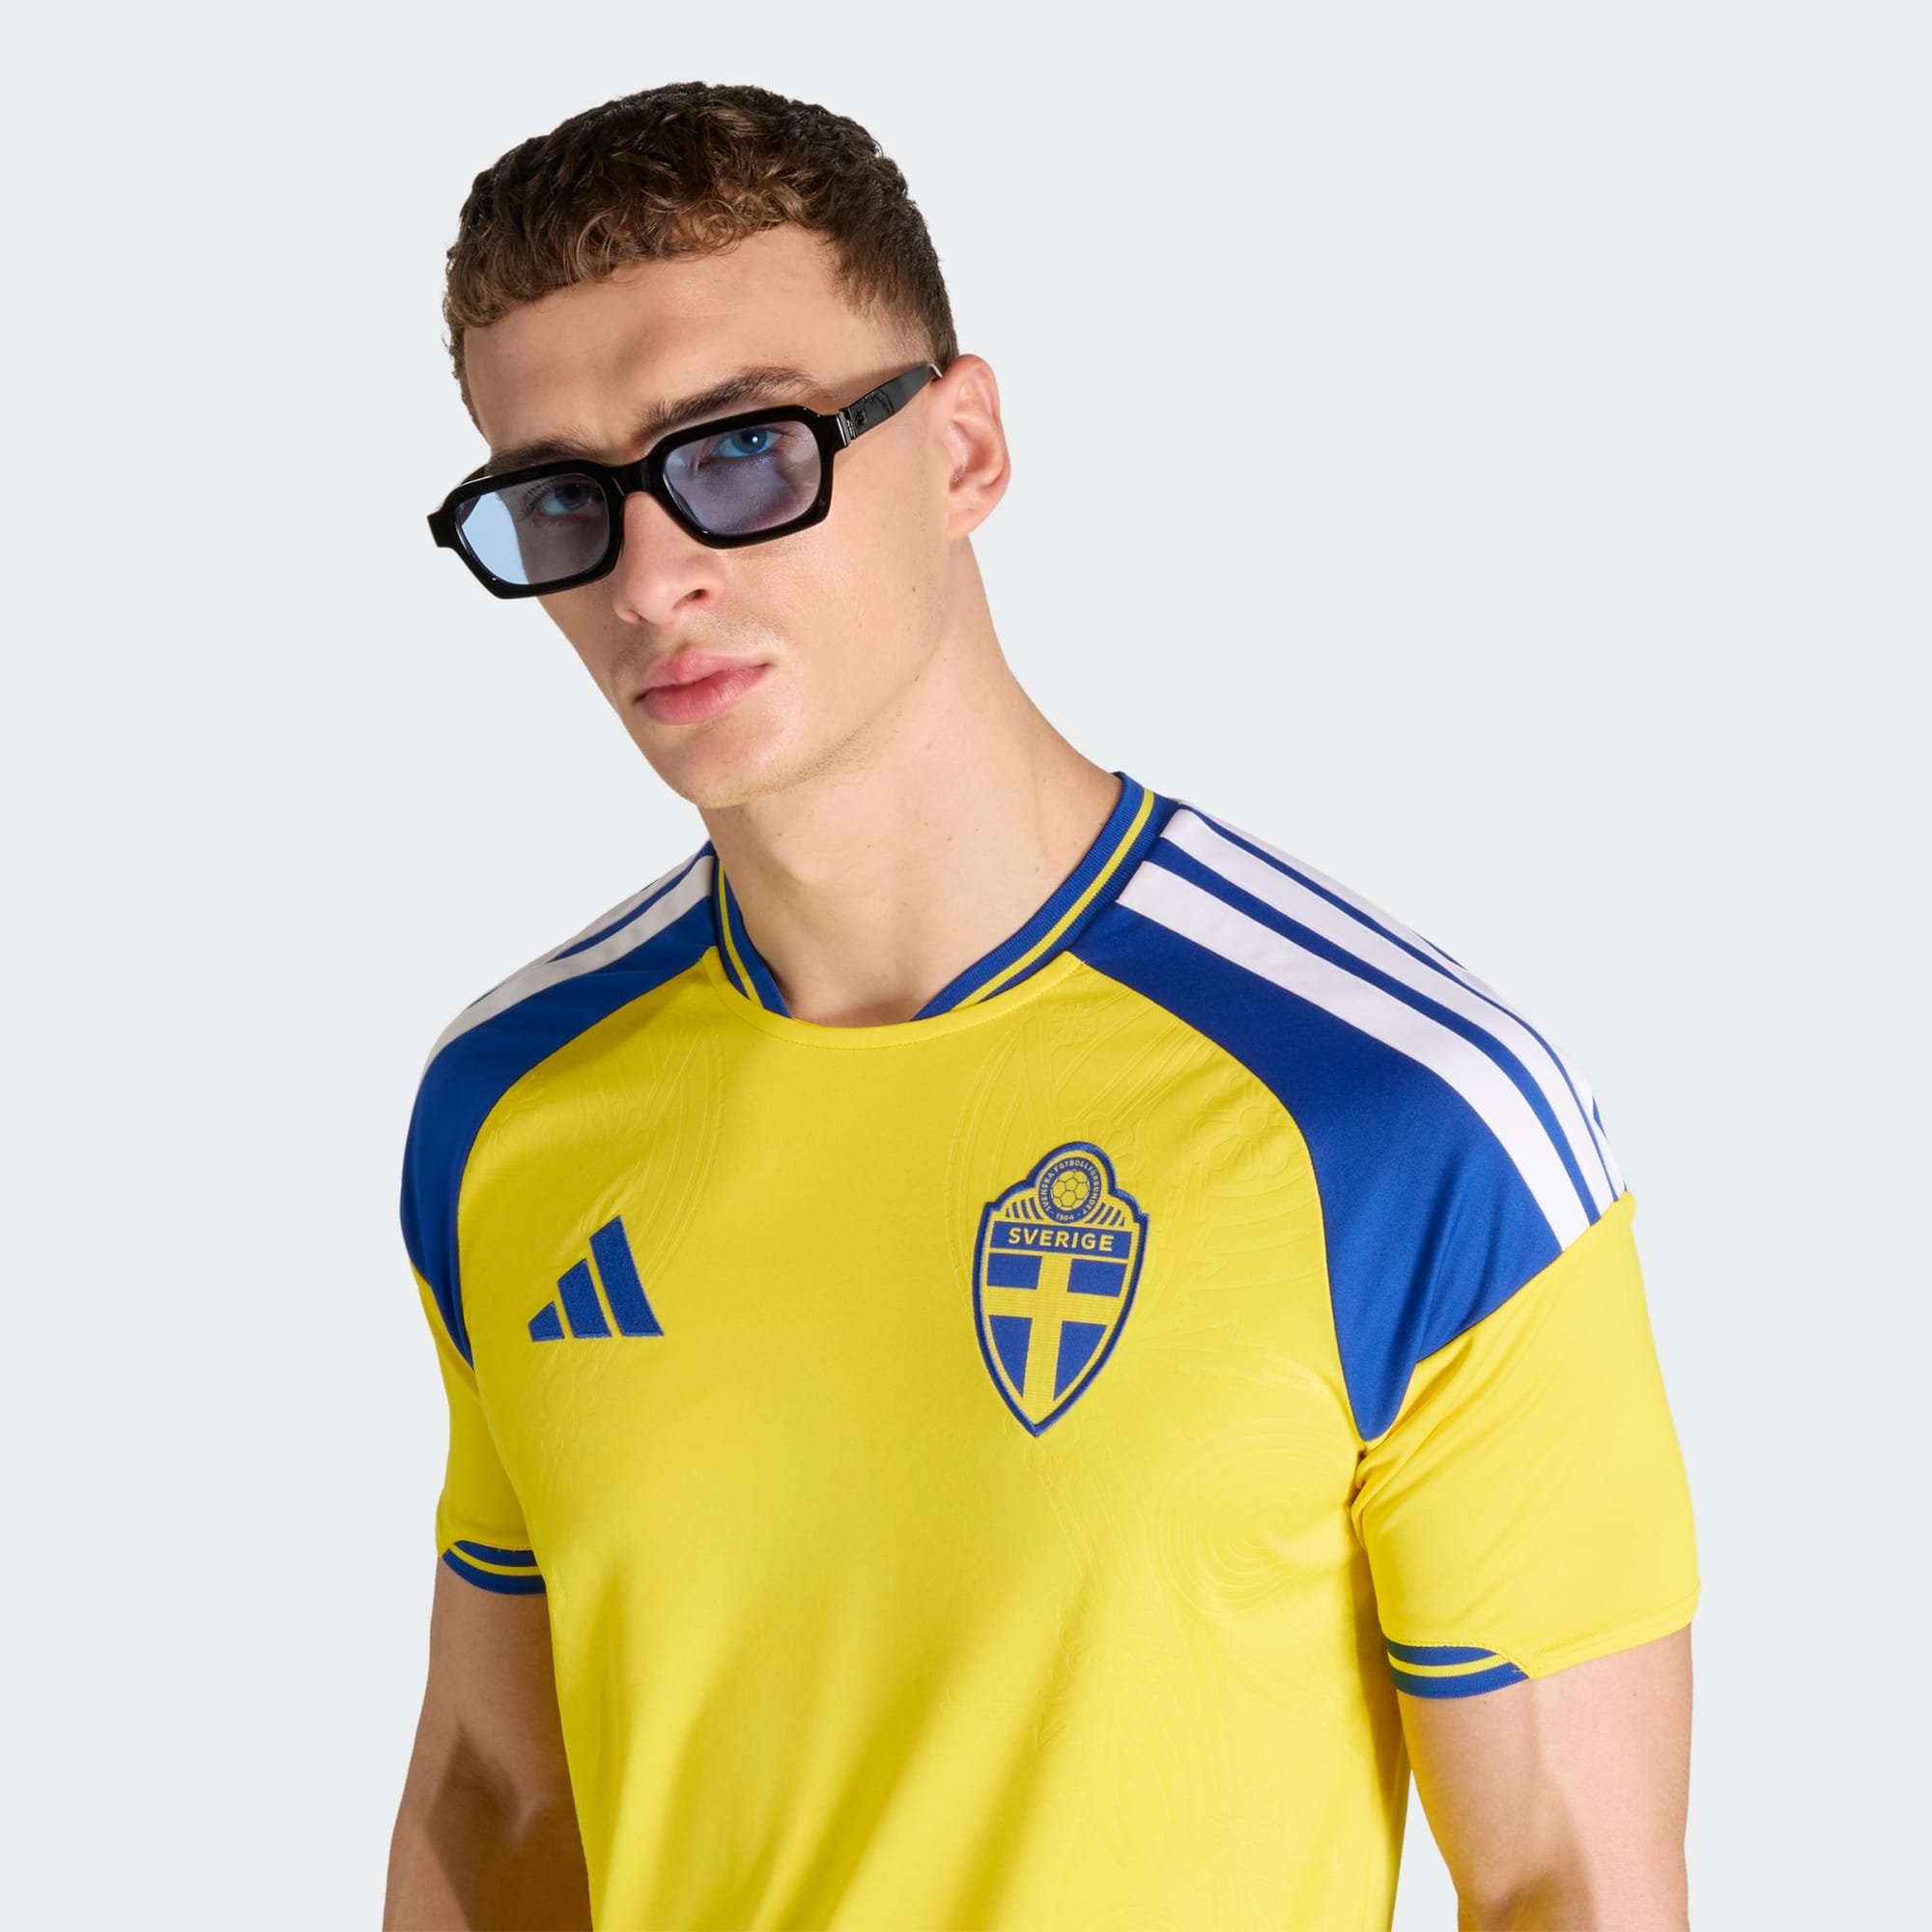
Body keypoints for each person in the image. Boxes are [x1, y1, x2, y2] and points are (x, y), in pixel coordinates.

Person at [383, 80, 1698, 1932]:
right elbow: (497, 1791)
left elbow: (1570, 1883)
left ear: (964, 449)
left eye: (741, 452)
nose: (653, 576)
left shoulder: (1406, 1117)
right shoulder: (512, 1106)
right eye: (559, 501)